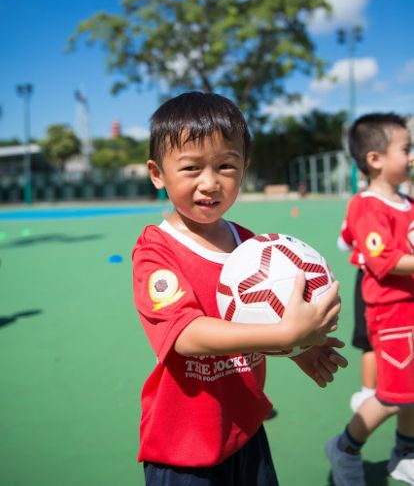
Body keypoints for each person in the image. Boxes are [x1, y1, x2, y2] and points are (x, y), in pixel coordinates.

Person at [132, 91, 347, 486]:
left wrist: (292, 348)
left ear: (244, 168)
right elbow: (186, 334)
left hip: (245, 428)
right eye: (192, 168)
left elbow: (256, 320)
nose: (210, 183)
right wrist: (284, 334)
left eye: (226, 166)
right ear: (157, 173)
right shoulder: (155, 250)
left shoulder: (254, 246)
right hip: (185, 448)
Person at [325, 112, 414, 486]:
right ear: (375, 158)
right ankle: (346, 447)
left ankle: (405, 452)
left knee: (412, 390)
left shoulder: (406, 201)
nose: (411, 156)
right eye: (405, 149)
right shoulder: (366, 206)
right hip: (391, 312)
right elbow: (383, 261)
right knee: (392, 395)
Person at [337, 199, 377, 412]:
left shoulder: (360, 203)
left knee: (369, 340)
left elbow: (343, 242)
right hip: (403, 283)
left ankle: (368, 392)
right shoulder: (408, 203)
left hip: (370, 279)